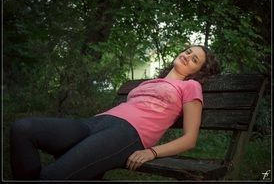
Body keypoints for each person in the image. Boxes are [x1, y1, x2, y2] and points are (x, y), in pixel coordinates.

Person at [10, 45, 220, 180]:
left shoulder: (190, 86)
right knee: (23, 129)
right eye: (189, 52)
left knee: (51, 176)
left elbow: (190, 139)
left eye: (194, 60)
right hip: (95, 123)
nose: (187, 56)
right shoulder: (151, 82)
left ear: (198, 71)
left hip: (127, 134)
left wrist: (152, 151)